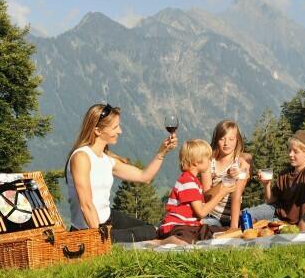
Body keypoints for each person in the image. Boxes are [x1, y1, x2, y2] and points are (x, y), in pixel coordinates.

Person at [65, 103, 178, 243]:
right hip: (89, 228)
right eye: (114, 127)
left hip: (108, 218)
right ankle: (107, 240)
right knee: (147, 236)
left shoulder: (107, 159)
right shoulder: (81, 157)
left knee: (150, 231)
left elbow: (144, 177)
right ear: (98, 131)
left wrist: (162, 152)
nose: (120, 131)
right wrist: (99, 238)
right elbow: (86, 204)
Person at [158, 139, 237, 244]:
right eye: (208, 158)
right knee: (186, 241)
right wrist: (221, 193)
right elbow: (201, 212)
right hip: (177, 227)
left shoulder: (192, 180)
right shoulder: (187, 182)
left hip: (192, 226)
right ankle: (164, 241)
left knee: (224, 233)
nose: (210, 161)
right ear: (196, 161)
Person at [247, 130, 305, 230]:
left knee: (259, 227)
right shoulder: (284, 173)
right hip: (277, 212)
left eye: (295, 151)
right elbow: (270, 200)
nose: (290, 154)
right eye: (289, 150)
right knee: (246, 214)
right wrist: (267, 185)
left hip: (294, 221)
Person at [201, 120, 252, 229]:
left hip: (231, 218)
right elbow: (206, 196)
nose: (226, 143)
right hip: (211, 215)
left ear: (237, 140)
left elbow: (236, 196)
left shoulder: (241, 163)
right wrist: (226, 180)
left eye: (231, 139)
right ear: (216, 140)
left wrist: (233, 228)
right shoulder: (209, 162)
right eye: (222, 138)